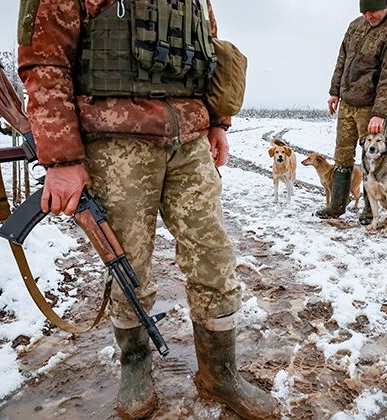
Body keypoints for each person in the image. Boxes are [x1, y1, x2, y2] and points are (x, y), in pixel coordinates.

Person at [16, 0, 277, 418]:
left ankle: (219, 373)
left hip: (189, 139)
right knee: (128, 265)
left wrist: (217, 121)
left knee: (214, 257)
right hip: (116, 138)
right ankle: (135, 365)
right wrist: (62, 159)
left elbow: (205, 48)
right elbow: (46, 60)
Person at [316, 0, 387, 223]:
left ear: (384, 5)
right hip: (347, 103)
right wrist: (335, 91)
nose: (369, 16)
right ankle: (336, 206)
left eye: (373, 11)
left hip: (370, 108)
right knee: (342, 155)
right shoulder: (355, 25)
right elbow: (342, 60)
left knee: (371, 157)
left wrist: (380, 113)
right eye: (364, 11)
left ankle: (370, 212)